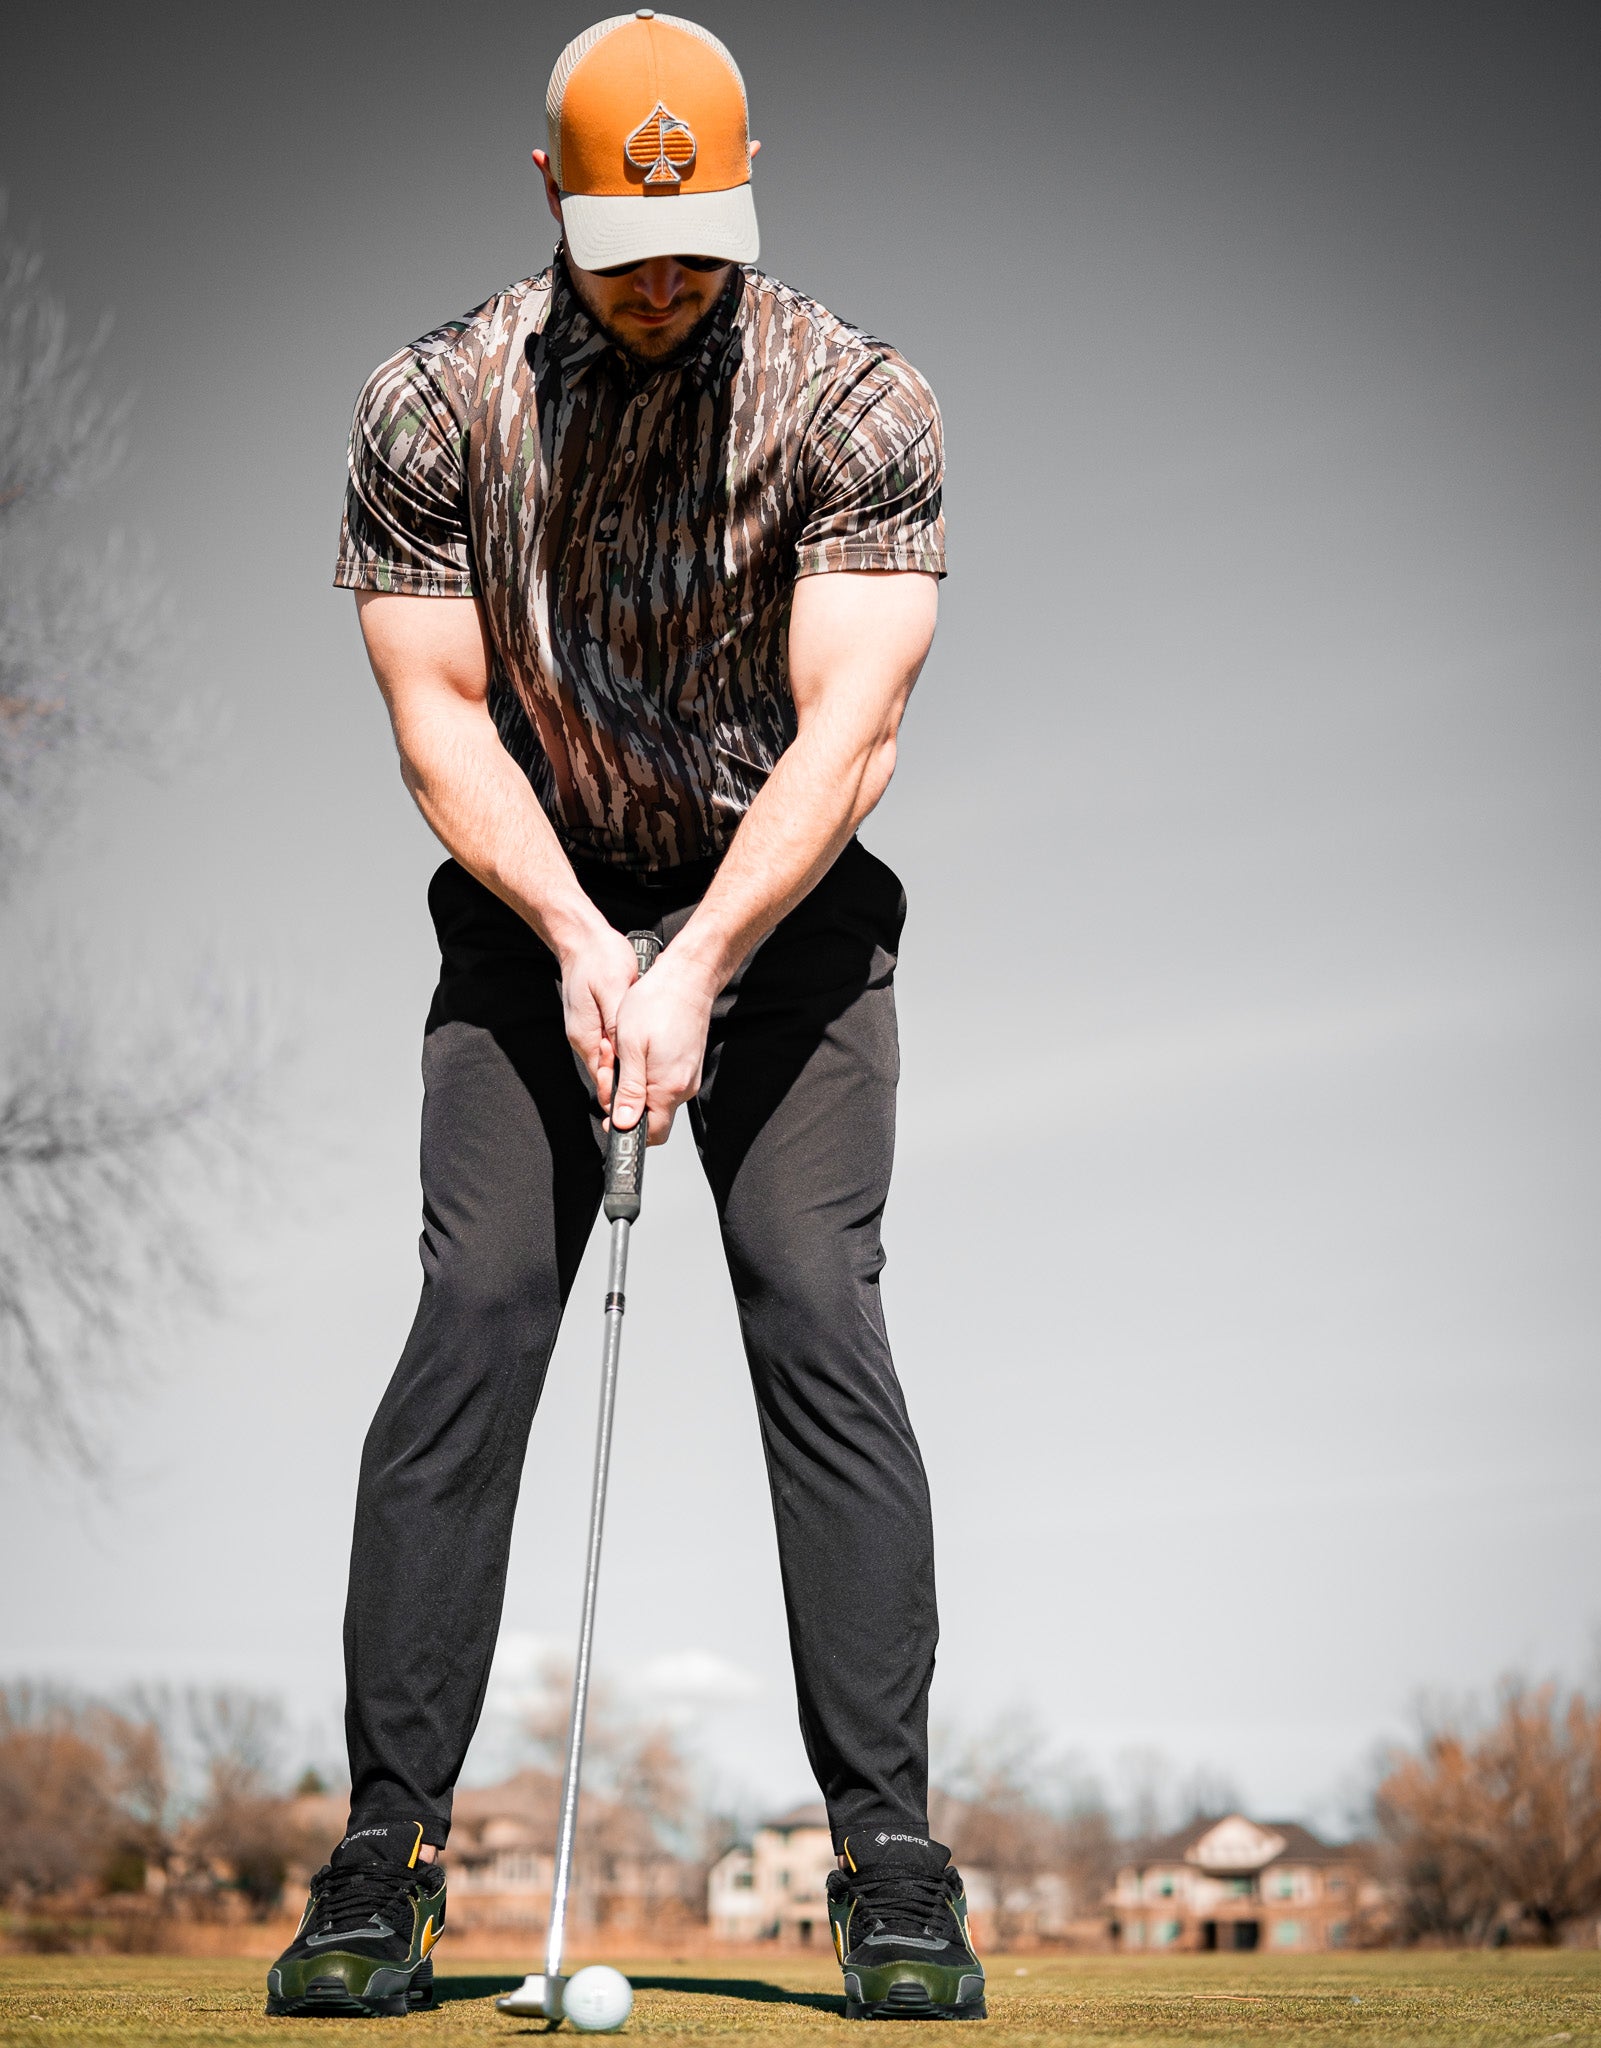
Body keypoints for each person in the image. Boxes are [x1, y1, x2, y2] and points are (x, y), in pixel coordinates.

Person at [266, 9, 983, 2022]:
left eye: (703, 236)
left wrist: (698, 961)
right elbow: (438, 720)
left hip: (791, 924)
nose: (668, 280)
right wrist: (590, 941)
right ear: (547, 197)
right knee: (480, 1302)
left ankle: (895, 1871)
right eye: (626, 241)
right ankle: (381, 1864)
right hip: (532, 915)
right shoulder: (433, 407)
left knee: (811, 1305)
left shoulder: (861, 401)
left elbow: (854, 732)